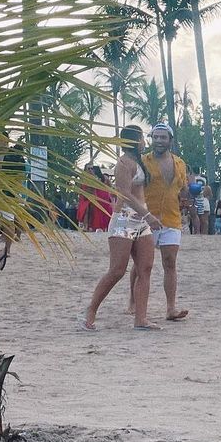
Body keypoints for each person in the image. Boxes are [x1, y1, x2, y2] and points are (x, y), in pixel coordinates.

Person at [83, 127, 161, 330]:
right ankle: (91, 309)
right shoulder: (123, 164)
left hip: (140, 220)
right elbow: (124, 194)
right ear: (135, 141)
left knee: (145, 268)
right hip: (124, 219)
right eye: (142, 138)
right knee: (117, 270)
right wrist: (148, 215)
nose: (144, 142)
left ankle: (141, 318)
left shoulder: (139, 162)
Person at [135, 124, 190, 323]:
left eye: (163, 137)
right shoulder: (142, 161)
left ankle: (171, 308)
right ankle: (133, 301)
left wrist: (187, 197)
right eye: (155, 137)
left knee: (170, 262)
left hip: (171, 218)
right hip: (146, 218)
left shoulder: (180, 163)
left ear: (170, 140)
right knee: (142, 264)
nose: (158, 141)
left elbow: (182, 188)